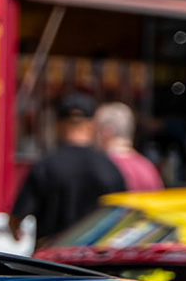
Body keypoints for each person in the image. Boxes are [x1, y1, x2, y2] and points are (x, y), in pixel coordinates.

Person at [8, 93, 125, 245]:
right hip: (95, 256)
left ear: (59, 125)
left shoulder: (45, 166)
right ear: (92, 125)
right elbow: (122, 217)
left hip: (52, 255)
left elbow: (16, 219)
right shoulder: (109, 168)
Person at [94, 102, 161, 192]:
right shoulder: (147, 167)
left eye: (96, 130)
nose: (94, 137)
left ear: (106, 131)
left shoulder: (103, 168)